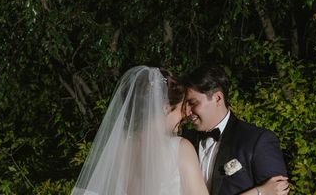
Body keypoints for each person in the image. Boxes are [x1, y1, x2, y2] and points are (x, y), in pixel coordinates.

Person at [71, 66, 209, 195]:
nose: (184, 115)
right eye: (180, 108)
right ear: (166, 108)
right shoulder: (180, 149)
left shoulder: (117, 147)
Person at [182, 65, 289, 195]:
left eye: (193, 103)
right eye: (185, 105)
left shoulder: (257, 140)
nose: (187, 112)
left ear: (218, 98)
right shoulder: (184, 142)